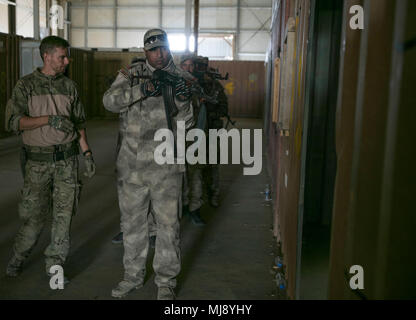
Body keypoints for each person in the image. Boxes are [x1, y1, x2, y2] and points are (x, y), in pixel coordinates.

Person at [103, 28, 194, 300]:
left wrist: (183, 99)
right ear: (145, 51)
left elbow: (187, 124)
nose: (160, 54)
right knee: (132, 225)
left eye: (163, 48)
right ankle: (132, 276)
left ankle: (166, 282)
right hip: (131, 167)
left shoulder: (182, 78)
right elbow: (109, 102)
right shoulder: (130, 74)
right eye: (153, 49)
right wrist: (142, 89)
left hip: (166, 167)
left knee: (168, 228)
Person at [4, 36, 95, 283]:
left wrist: (86, 152)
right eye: (62, 56)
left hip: (67, 161)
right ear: (46, 56)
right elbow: (13, 122)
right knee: (33, 219)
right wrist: (48, 119)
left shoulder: (69, 87)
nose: (67, 60)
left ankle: (55, 267)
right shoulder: (26, 86)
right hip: (37, 163)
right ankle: (19, 256)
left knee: (63, 220)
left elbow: (79, 124)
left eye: (66, 56)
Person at [193, 56, 229, 209]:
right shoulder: (190, 84)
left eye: (203, 66)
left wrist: (209, 112)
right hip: (193, 132)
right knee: (195, 167)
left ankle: (213, 194)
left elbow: (224, 108)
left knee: (212, 164)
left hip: (212, 132)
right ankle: (195, 199)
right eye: (198, 66)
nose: (200, 69)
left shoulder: (215, 86)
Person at [179, 54, 207, 226]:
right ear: (180, 66)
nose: (189, 69)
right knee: (177, 177)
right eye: (185, 65)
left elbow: (202, 114)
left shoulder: (198, 88)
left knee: (195, 175)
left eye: (191, 65)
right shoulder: (172, 86)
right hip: (175, 138)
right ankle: (180, 207)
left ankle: (194, 209)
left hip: (194, 138)